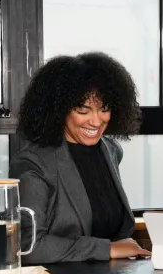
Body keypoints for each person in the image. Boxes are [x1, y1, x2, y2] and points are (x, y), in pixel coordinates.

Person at [10, 52, 150, 263]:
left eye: (104, 109)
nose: (96, 122)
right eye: (83, 111)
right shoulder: (33, 162)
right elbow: (31, 247)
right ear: (59, 110)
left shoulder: (111, 150)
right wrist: (107, 249)